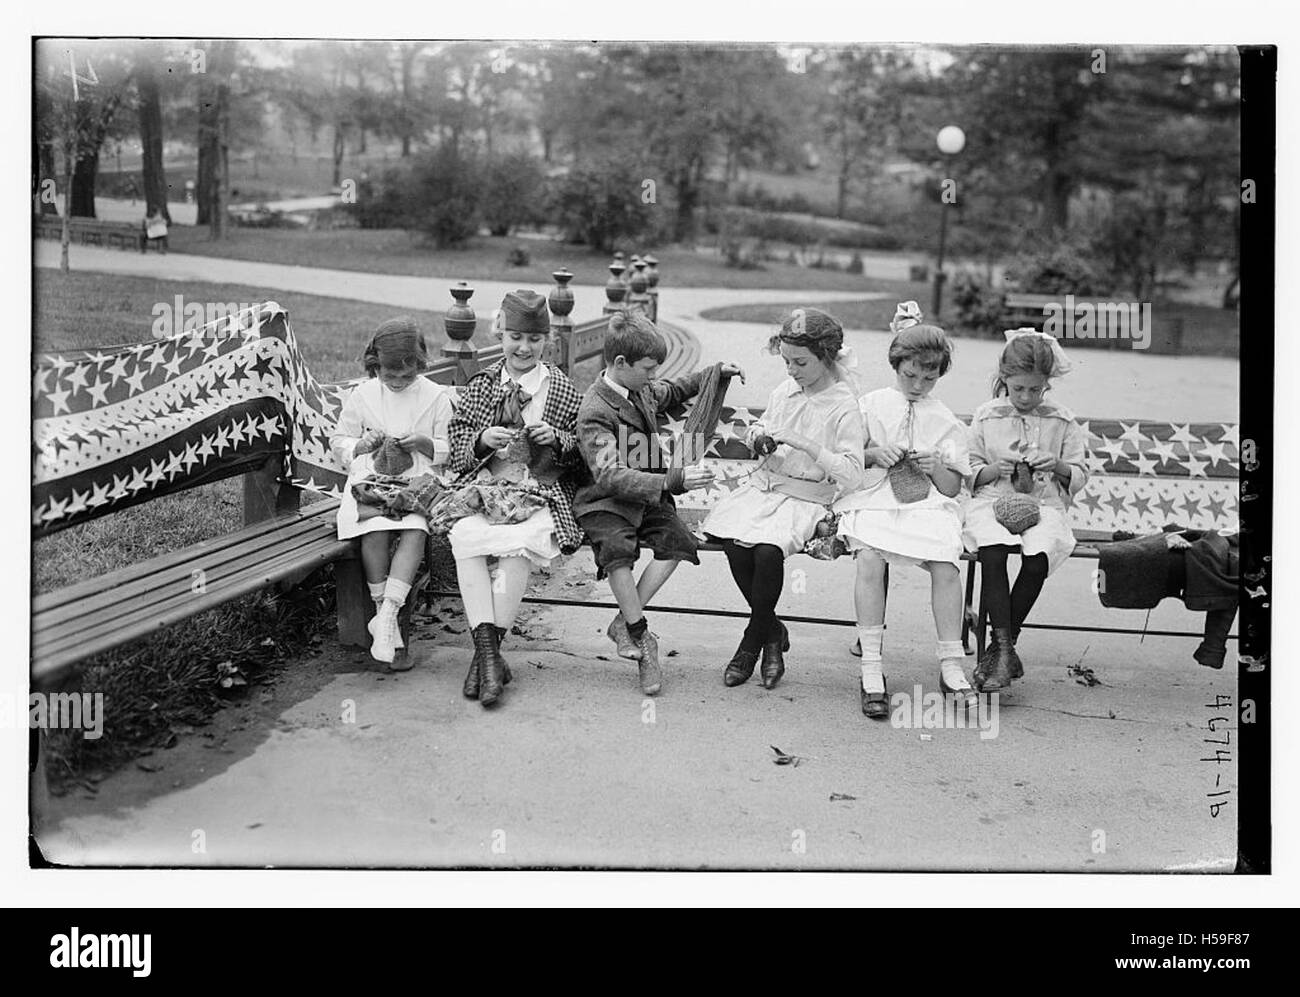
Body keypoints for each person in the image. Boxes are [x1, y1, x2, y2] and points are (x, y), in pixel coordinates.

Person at [573, 309, 742, 696]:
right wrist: (673, 479)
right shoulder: (595, 411)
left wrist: (714, 373)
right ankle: (641, 635)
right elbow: (610, 475)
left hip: (648, 499)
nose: (653, 377)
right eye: (648, 368)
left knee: (680, 542)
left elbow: (674, 390)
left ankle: (623, 623)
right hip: (607, 502)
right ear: (620, 363)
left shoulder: (641, 389)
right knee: (617, 550)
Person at [701, 308, 863, 690]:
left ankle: (751, 642)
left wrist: (808, 445)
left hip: (807, 497)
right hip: (766, 487)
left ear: (827, 358)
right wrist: (759, 436)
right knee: (735, 547)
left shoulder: (844, 405)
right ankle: (772, 632)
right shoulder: (784, 391)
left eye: (801, 362)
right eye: (787, 361)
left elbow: (853, 473)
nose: (791, 370)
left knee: (767, 551)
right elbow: (764, 425)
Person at [833, 301, 976, 718]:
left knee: (947, 564)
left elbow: (953, 488)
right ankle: (872, 666)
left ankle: (951, 665)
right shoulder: (873, 404)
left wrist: (937, 469)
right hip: (876, 496)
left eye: (928, 378)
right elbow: (848, 456)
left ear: (939, 376)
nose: (917, 385)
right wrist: (876, 452)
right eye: (909, 375)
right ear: (896, 366)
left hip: (927, 504)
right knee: (870, 560)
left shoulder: (945, 419)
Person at [445, 290, 585, 708]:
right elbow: (456, 443)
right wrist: (481, 440)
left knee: (516, 550)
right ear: (501, 334)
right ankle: (491, 660)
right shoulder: (483, 383)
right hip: (487, 488)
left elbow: (585, 448)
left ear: (548, 342)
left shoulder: (559, 387)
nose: (524, 348)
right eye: (516, 338)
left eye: (535, 340)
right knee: (465, 538)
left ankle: (484, 659)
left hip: (539, 490)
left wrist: (558, 440)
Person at [962, 329, 1087, 690]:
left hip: (1043, 503)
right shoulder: (987, 415)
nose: (1027, 396)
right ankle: (1003, 651)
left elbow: (1080, 473)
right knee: (994, 551)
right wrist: (991, 469)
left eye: (1035, 389)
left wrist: (1058, 465)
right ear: (1004, 380)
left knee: (1037, 558)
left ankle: (1001, 648)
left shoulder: (1061, 419)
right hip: (991, 501)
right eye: (1018, 389)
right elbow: (968, 468)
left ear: (1046, 384)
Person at [330, 318, 454, 666]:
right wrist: (360, 444)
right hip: (372, 479)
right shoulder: (364, 394)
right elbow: (340, 442)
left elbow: (450, 447)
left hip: (415, 481)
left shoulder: (435, 396)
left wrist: (425, 443)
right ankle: (384, 612)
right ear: (375, 364)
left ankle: (386, 614)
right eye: (390, 374)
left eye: (407, 375)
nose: (398, 382)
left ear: (419, 364)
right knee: (375, 528)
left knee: (415, 527)